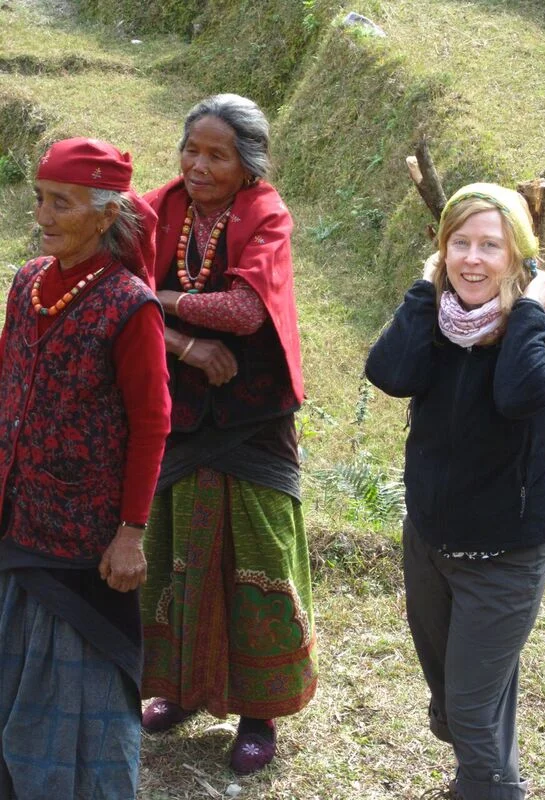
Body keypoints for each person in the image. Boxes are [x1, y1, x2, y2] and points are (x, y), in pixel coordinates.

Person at [365, 183, 545, 800]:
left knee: (471, 707)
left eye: (492, 245)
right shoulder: (438, 319)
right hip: (430, 541)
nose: (473, 259)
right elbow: (390, 374)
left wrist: (533, 311)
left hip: (505, 554)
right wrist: (426, 291)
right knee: (455, 697)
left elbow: (519, 396)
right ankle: (488, 776)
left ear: (519, 257)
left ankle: (488, 786)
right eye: (459, 244)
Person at [140, 93, 318, 775]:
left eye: (217, 154)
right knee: (178, 548)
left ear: (248, 164)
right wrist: (185, 344)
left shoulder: (264, 212)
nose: (198, 164)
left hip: (253, 417)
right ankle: (183, 690)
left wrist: (159, 301)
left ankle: (257, 711)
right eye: (191, 149)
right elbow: (115, 298)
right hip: (178, 413)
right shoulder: (158, 210)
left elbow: (244, 311)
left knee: (257, 556)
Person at [0, 137, 172, 799]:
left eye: (61, 203)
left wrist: (131, 531)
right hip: (20, 524)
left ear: (104, 217)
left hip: (84, 545)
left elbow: (153, 423)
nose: (43, 214)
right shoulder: (28, 284)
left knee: (73, 691)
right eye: (41, 198)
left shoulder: (131, 307)